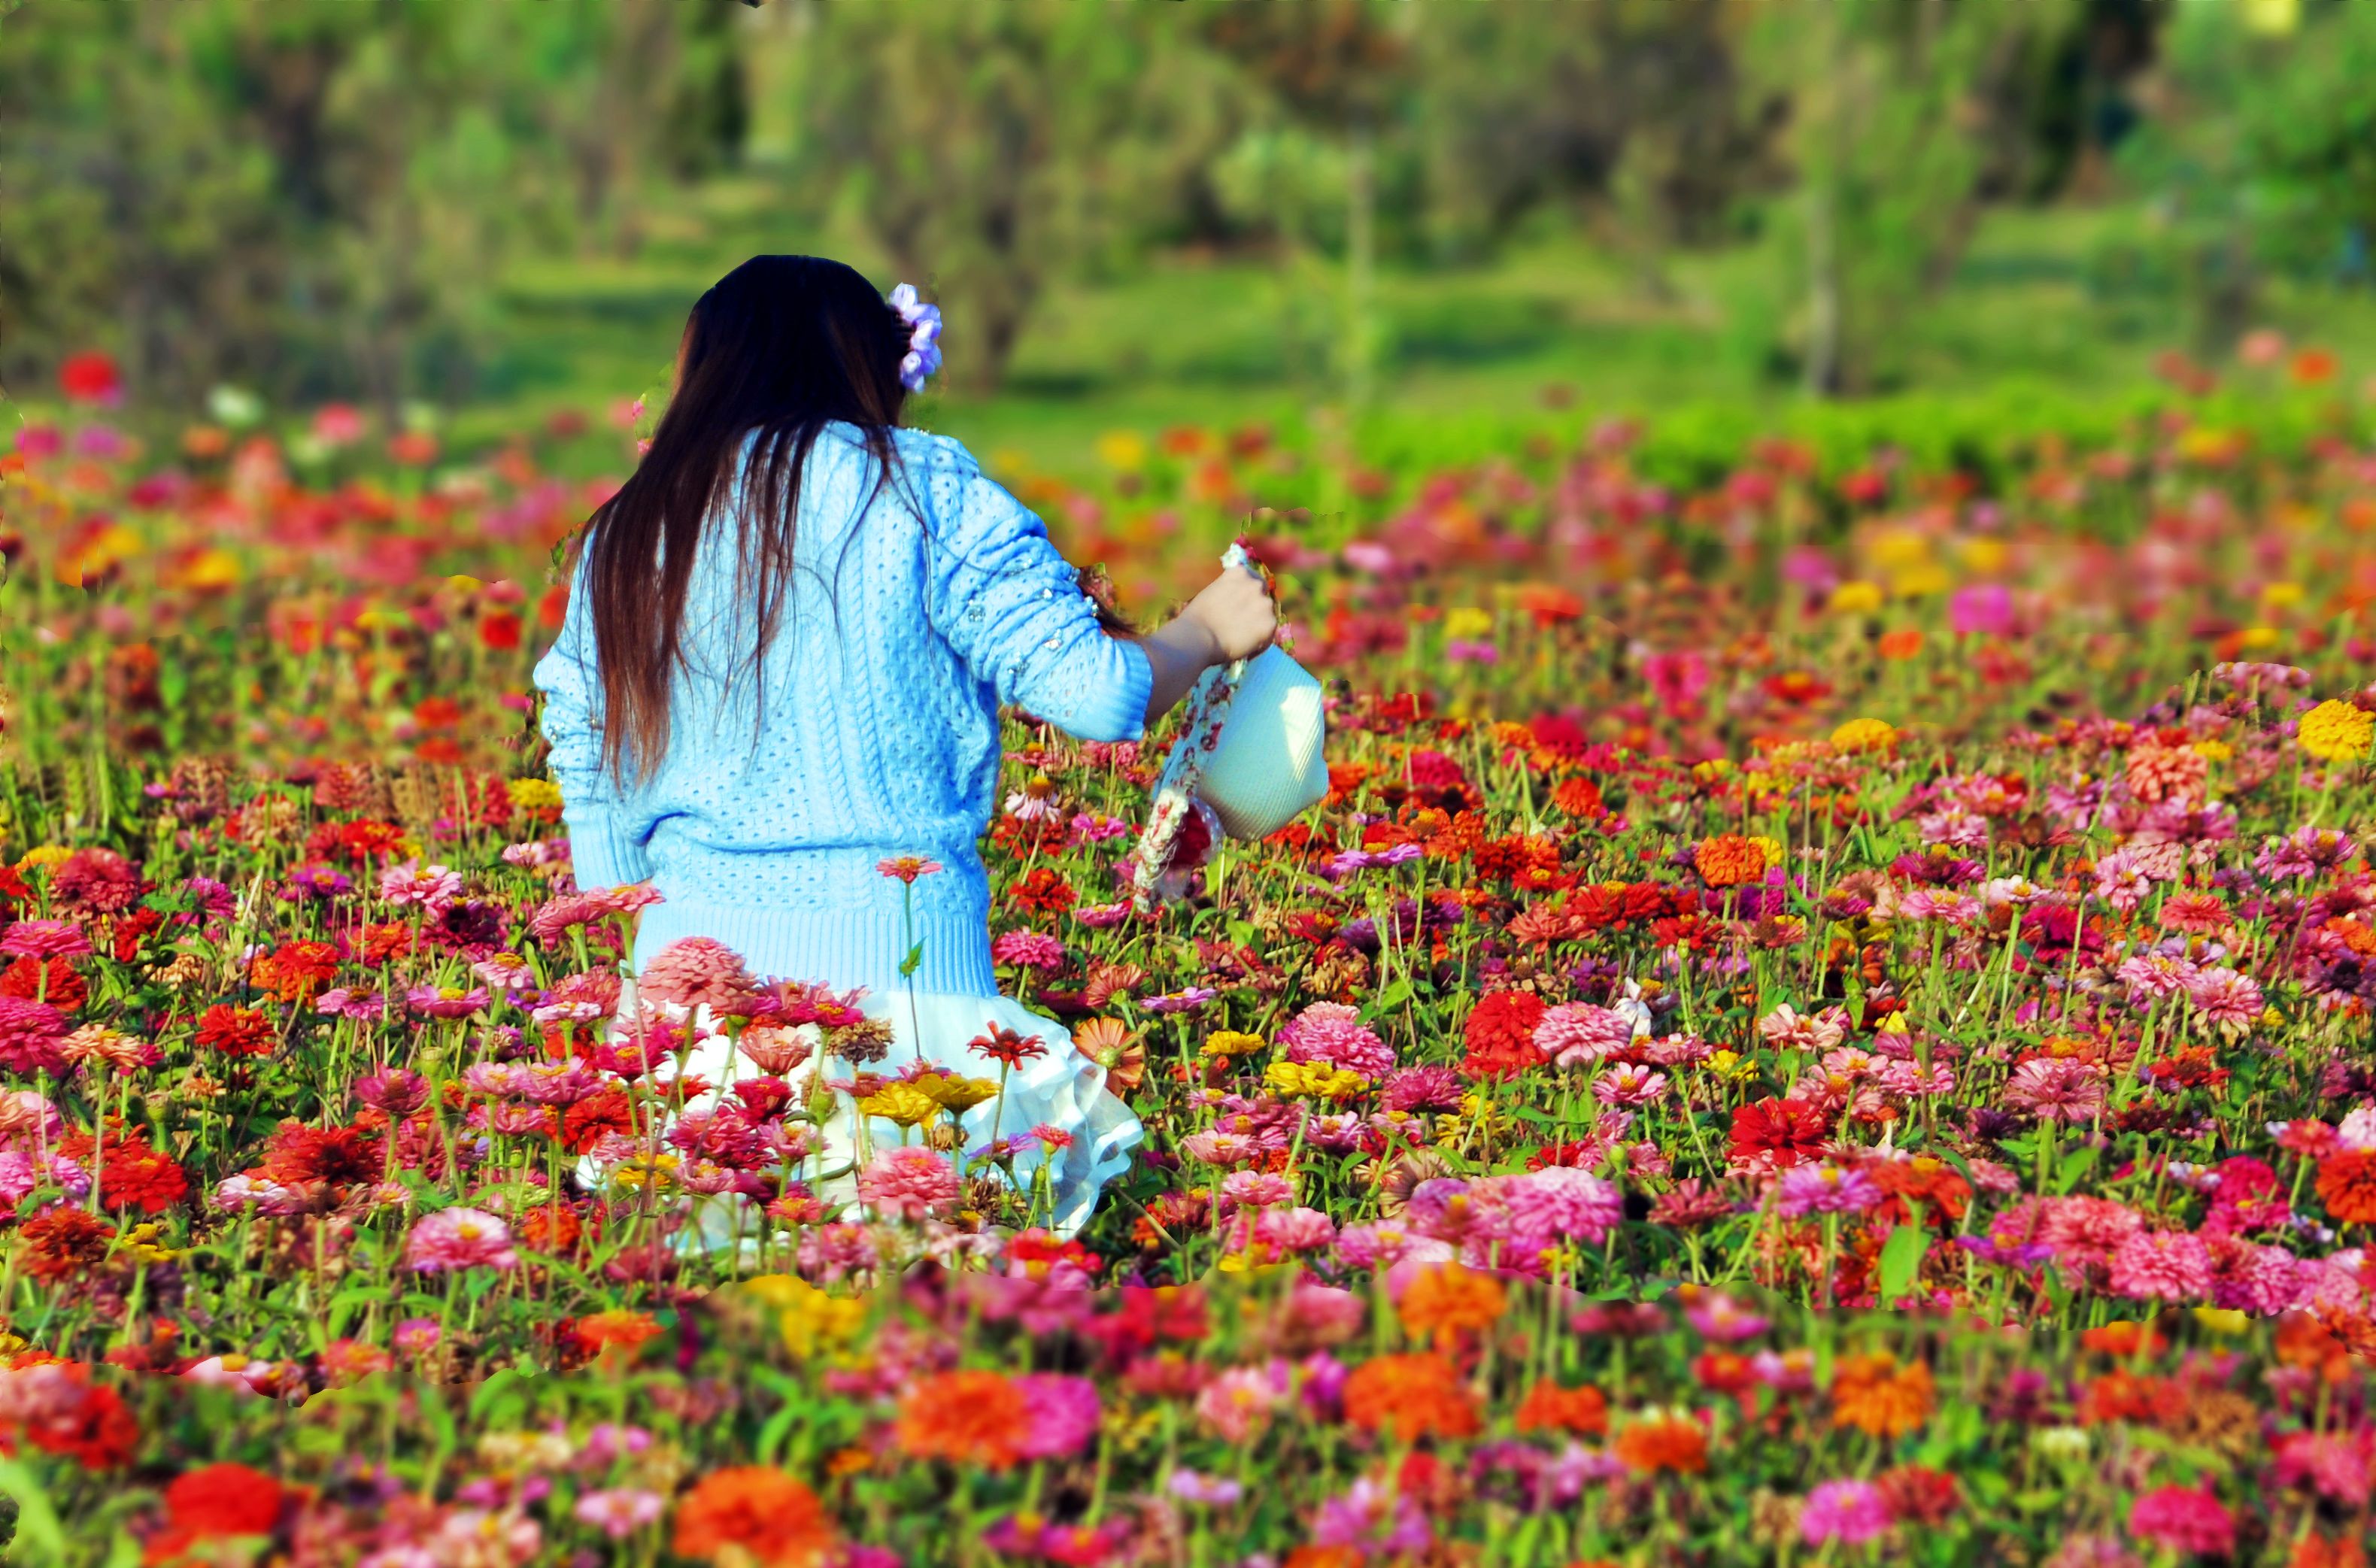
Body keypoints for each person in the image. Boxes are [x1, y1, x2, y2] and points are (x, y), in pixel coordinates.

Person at [531, 255, 1276, 1238]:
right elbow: (1099, 694)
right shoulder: (920, 485)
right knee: (914, 1335)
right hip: (909, 1024)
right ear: (873, 366)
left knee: (713, 1344)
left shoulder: (632, 526)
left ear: (702, 370)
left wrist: (666, 973)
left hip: (687, 1041)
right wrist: (1209, 629)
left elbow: (593, 782)